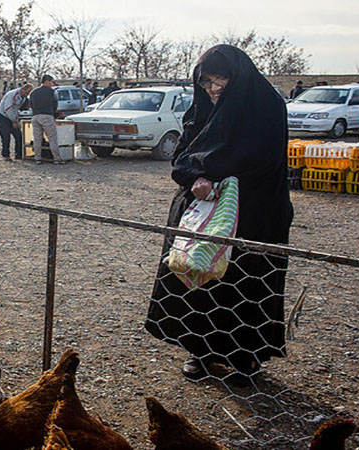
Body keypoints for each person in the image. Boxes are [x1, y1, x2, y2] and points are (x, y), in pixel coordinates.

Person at [145, 44, 293, 381]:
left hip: (252, 212)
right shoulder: (201, 109)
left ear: (237, 78)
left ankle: (246, 358)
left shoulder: (265, 106)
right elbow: (182, 154)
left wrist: (212, 175)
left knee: (243, 282)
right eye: (207, 82)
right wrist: (195, 177)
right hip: (200, 211)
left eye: (220, 81)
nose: (212, 89)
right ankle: (199, 350)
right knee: (198, 276)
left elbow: (261, 159)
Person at [30, 75, 64, 165]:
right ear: (47, 81)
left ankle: (37, 158)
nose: (53, 84)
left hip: (35, 116)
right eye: (52, 82)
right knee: (52, 138)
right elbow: (55, 104)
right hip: (47, 116)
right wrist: (54, 114)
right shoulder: (52, 92)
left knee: (37, 139)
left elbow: (31, 104)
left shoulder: (33, 92)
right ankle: (57, 159)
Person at [0, 83, 33, 161]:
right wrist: (14, 121)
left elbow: (20, 108)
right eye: (26, 92)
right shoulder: (12, 94)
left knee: (19, 135)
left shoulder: (23, 98)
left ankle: (18, 154)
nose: (26, 94)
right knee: (6, 136)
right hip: (2, 116)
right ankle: (6, 155)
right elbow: (8, 109)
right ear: (22, 89)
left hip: (12, 117)